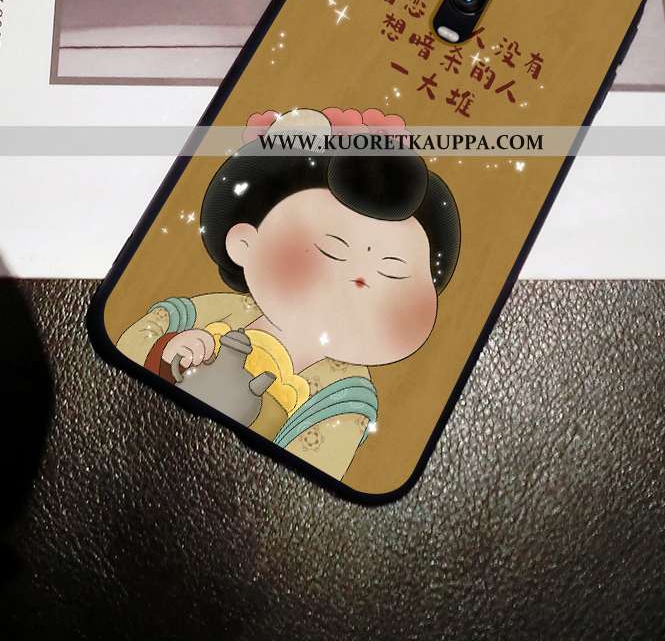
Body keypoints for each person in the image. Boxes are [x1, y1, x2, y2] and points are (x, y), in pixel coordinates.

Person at [116, 108, 461, 481]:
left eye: (393, 271)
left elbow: (306, 471)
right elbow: (132, 342)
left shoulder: (346, 398)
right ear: (245, 243)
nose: (359, 278)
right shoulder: (223, 312)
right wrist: (168, 351)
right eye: (332, 250)